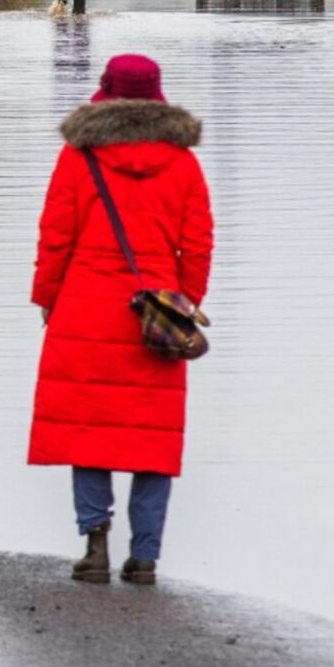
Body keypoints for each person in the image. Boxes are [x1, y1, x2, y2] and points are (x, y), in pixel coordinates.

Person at [28, 54, 213, 586]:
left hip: (84, 305)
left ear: (105, 92)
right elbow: (198, 243)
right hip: (154, 314)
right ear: (158, 96)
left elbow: (56, 235)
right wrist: (183, 304)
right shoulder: (182, 163)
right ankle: (146, 557)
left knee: (89, 430)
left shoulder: (78, 158)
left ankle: (95, 545)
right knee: (151, 436)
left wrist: (47, 296)